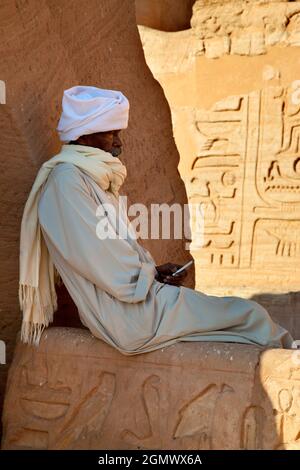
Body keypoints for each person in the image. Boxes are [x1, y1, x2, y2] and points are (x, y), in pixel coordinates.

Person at [18, 85, 294, 352]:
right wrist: (149, 276)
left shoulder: (85, 177)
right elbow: (101, 261)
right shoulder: (66, 182)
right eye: (110, 134)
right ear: (85, 135)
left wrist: (156, 272)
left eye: (118, 133)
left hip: (137, 302)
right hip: (127, 316)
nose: (118, 143)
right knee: (249, 315)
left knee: (246, 320)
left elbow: (110, 257)